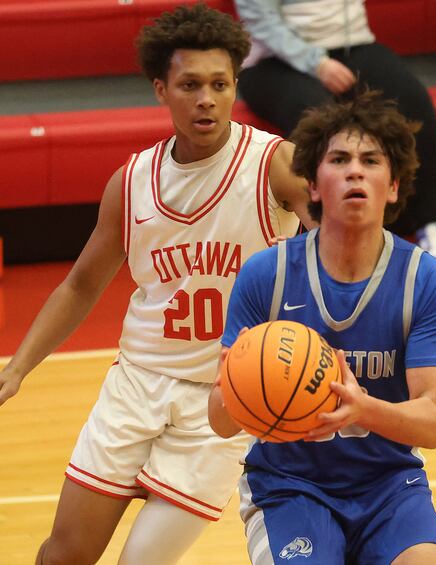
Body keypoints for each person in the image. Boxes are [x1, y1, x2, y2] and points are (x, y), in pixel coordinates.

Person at [0, 5, 313, 564]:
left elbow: (339, 248)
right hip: (136, 384)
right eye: (190, 85)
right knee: (63, 556)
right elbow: (80, 285)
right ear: (160, 90)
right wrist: (18, 367)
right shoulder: (131, 182)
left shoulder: (273, 164)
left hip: (222, 401)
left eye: (220, 84)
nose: (206, 99)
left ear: (235, 86)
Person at [209, 91, 436, 564]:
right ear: (314, 186)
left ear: (394, 186)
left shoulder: (423, 280)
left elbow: (434, 423)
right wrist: (232, 387)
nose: (355, 171)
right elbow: (219, 424)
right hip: (289, 487)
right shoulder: (267, 274)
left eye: (371, 160)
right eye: (339, 159)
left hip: (389, 484)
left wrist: (363, 409)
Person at [232, 0, 436, 268]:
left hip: (353, 46)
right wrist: (317, 64)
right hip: (273, 60)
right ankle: (321, 235)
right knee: (318, 116)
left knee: (414, 102)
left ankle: (430, 224)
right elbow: (263, 23)